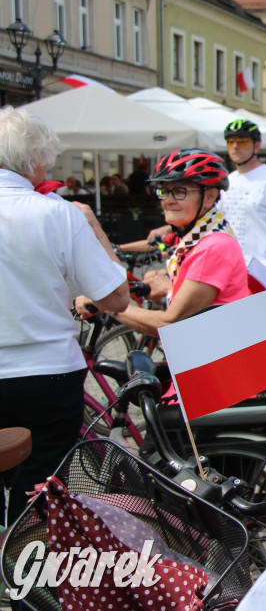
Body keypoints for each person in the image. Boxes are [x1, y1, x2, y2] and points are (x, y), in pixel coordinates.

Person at [0, 107, 129, 524]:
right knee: (40, 486)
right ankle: (25, 579)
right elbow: (116, 298)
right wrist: (91, 226)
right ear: (34, 159)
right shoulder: (57, 213)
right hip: (46, 372)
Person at [76, 149, 247, 336]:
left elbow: (171, 323)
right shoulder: (198, 238)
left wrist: (109, 306)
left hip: (217, 359)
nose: (168, 200)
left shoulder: (213, 247)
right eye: (164, 191)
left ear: (210, 197)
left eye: (179, 192)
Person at [219, 118, 266, 290]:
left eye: (242, 141)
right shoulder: (227, 181)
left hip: (263, 272)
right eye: (230, 142)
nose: (235, 146)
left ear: (257, 146)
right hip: (232, 270)